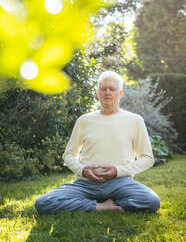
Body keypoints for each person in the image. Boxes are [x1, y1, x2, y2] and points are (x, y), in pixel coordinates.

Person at [35, 70, 160, 213]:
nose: (107, 92)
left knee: (152, 201)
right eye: (103, 89)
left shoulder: (135, 120)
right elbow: (68, 155)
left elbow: (147, 158)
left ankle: (99, 202)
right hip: (86, 184)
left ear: (120, 93)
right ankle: (101, 206)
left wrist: (118, 171)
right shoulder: (84, 121)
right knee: (43, 203)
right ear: (98, 93)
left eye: (112, 89)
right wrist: (83, 170)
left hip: (121, 183)